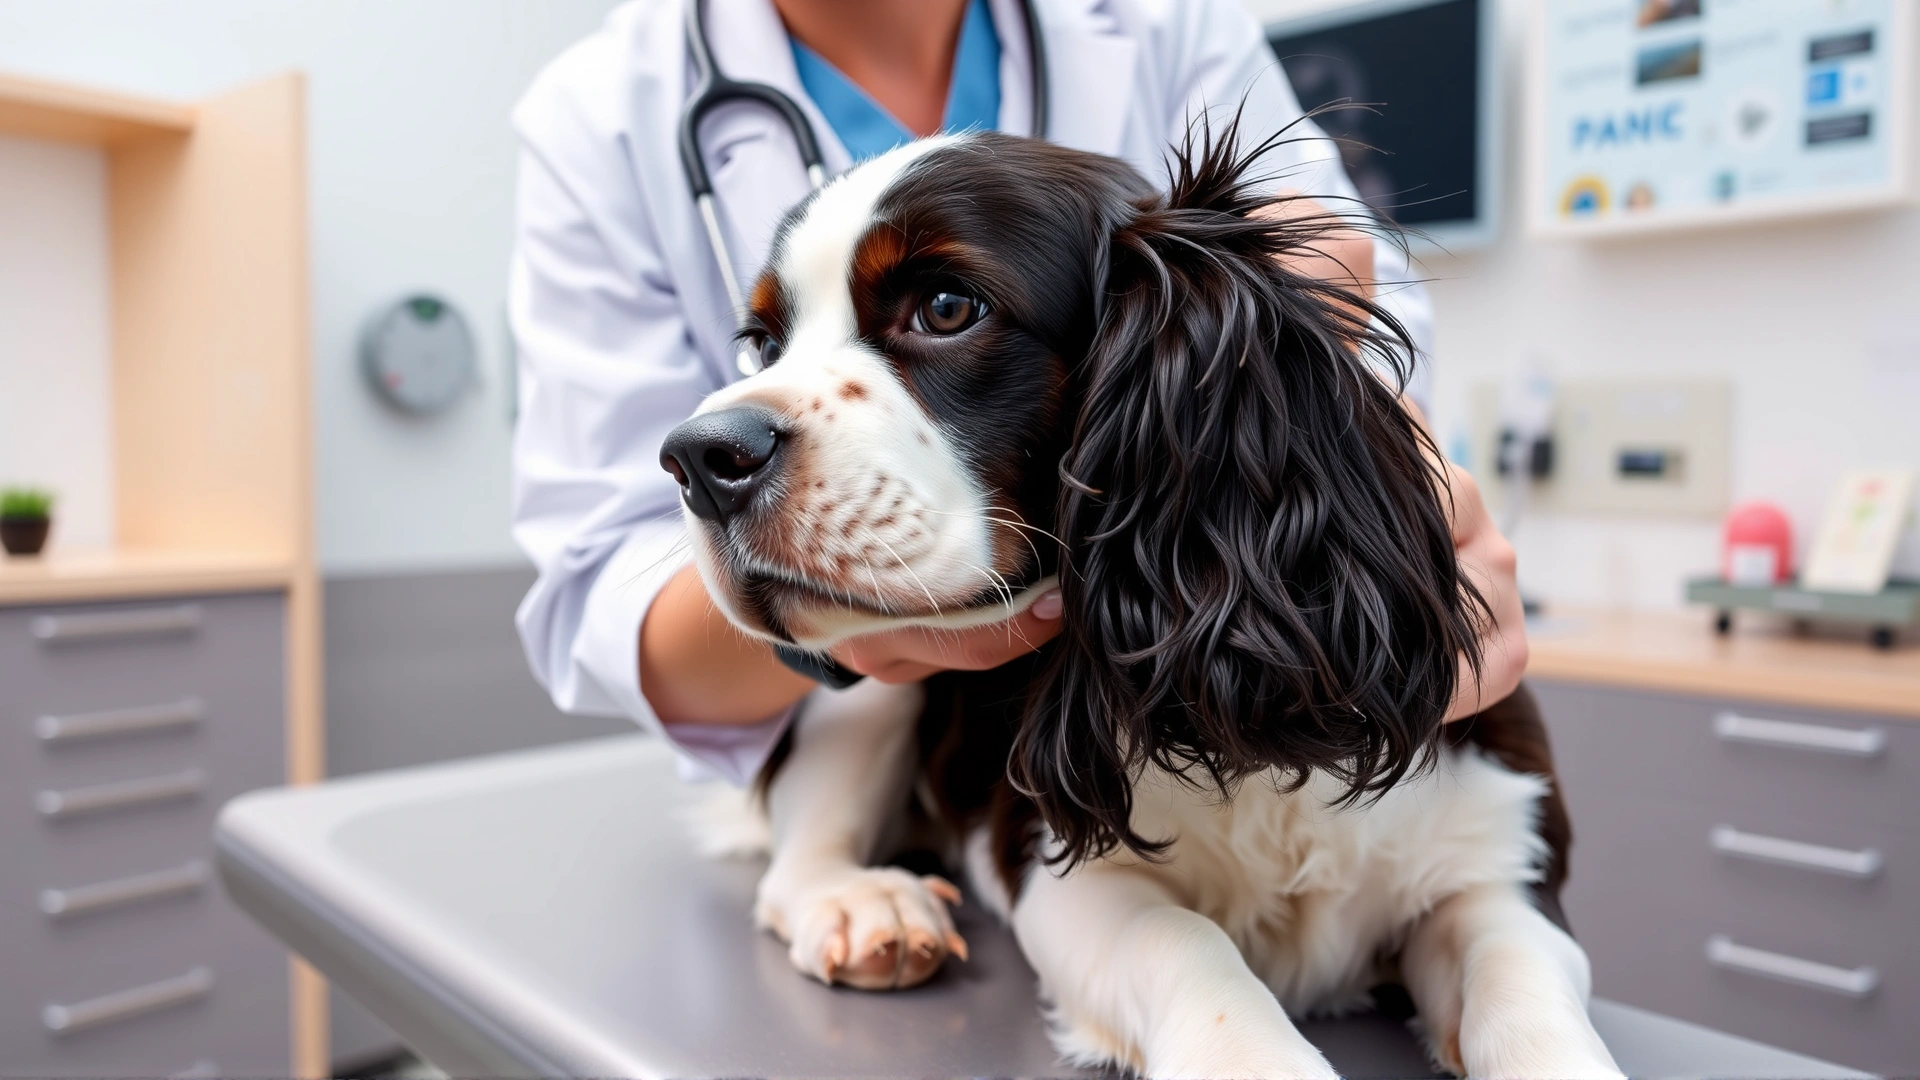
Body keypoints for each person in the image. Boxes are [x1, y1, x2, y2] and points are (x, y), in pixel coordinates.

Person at [510, 0, 1527, 784]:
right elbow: (602, 594)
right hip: (912, 772)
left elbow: (1343, 302)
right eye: (764, 346)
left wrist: (1380, 521)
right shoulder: (601, 114)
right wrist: (848, 633)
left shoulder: (1157, 22)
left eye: (946, 307)